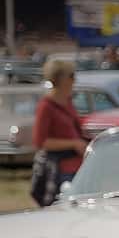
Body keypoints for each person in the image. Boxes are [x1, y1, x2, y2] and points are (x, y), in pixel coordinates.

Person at [31, 59, 88, 205]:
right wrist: (74, 143)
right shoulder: (46, 106)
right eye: (71, 75)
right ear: (60, 78)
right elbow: (40, 142)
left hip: (78, 168)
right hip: (59, 172)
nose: (74, 80)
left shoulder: (68, 101)